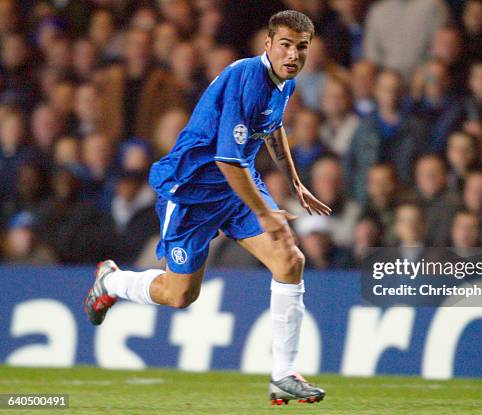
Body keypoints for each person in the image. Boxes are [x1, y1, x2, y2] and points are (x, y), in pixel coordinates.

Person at [83, 11, 329, 405]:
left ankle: (283, 374)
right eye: (285, 44)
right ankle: (110, 282)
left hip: (234, 189)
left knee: (289, 259)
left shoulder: (284, 82)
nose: (294, 54)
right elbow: (227, 160)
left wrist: (296, 183)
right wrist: (267, 213)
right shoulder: (248, 77)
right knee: (179, 295)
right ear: (267, 44)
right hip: (191, 191)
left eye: (302, 47)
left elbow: (272, 125)